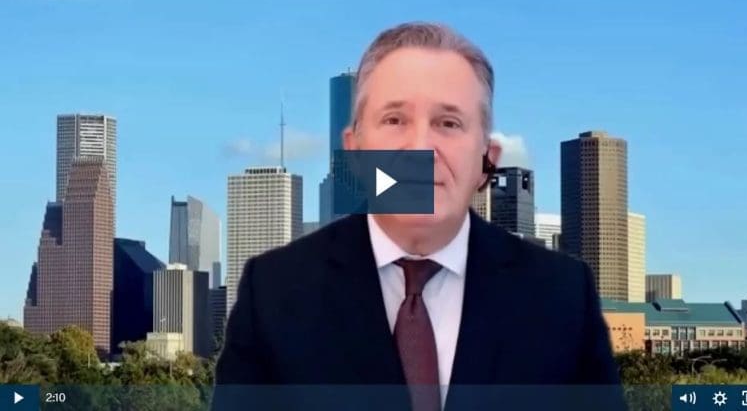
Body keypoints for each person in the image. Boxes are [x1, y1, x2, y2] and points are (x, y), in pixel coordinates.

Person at [212, 22, 625, 411]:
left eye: (448, 123)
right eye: (394, 120)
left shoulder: (562, 297)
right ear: (354, 154)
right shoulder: (273, 293)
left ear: (487, 160)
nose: (420, 150)